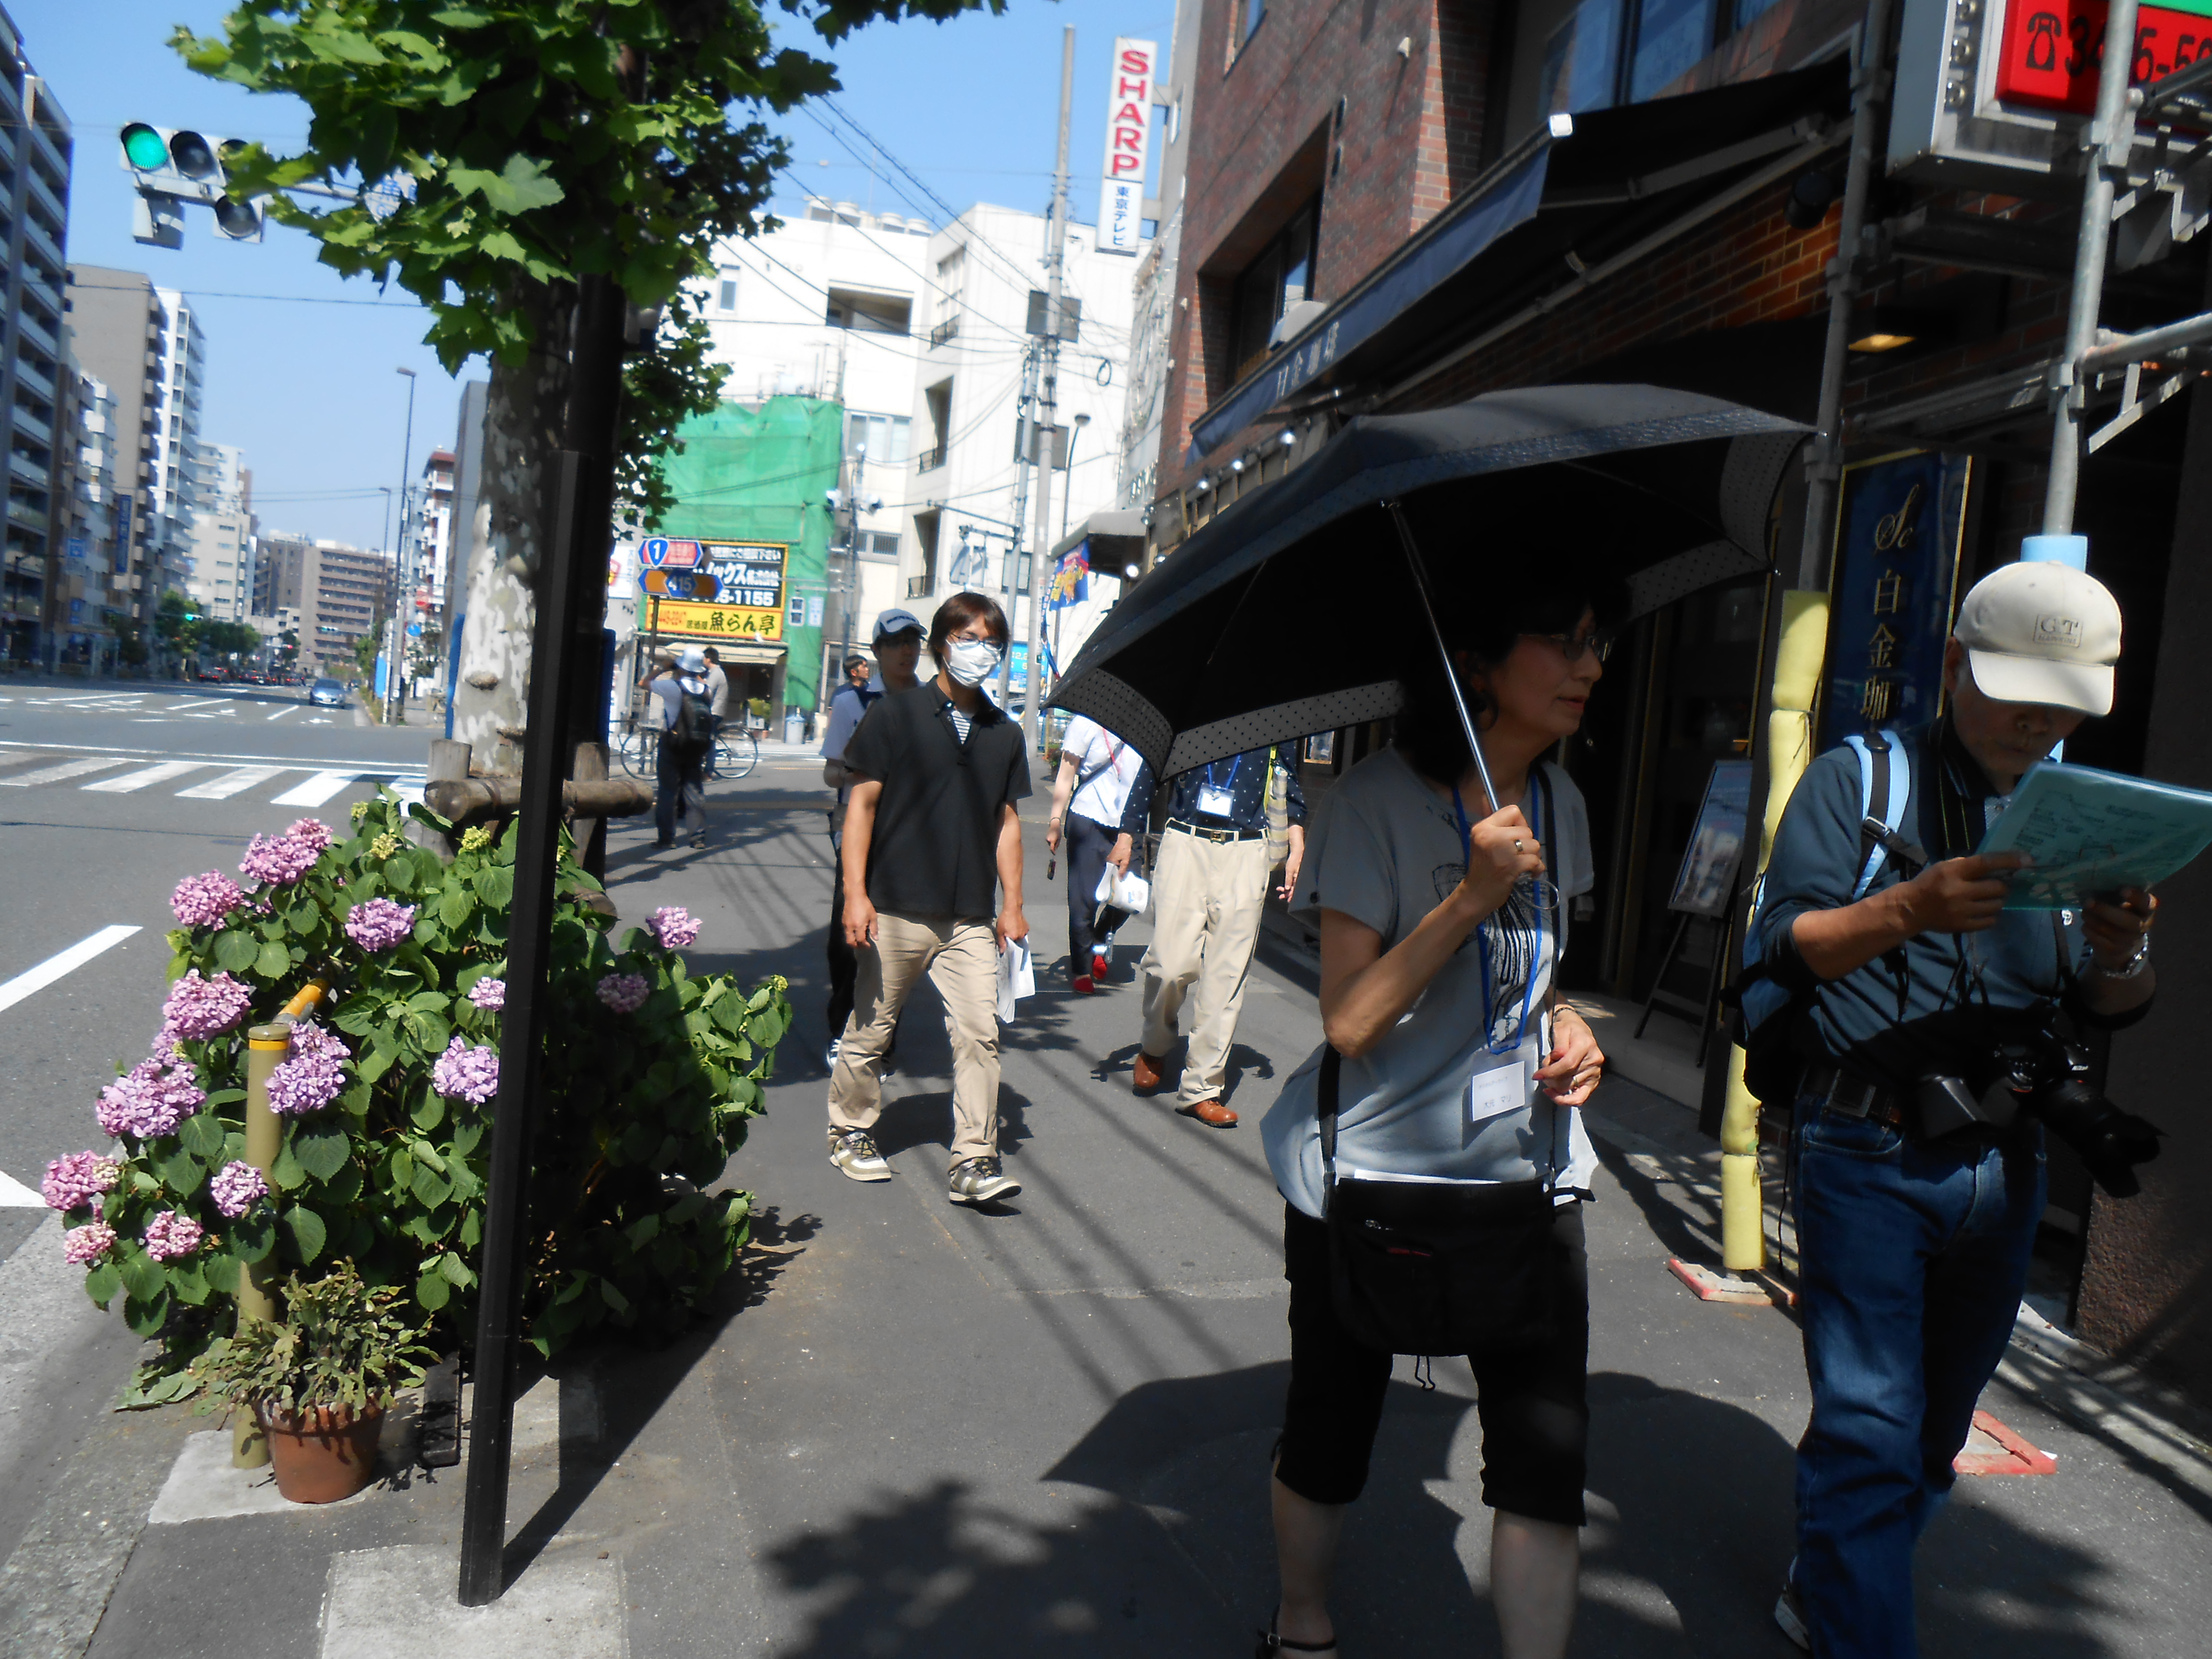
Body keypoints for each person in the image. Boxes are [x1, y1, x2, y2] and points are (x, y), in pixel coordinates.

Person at [1751, 561, 2155, 1659]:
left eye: (2063, 702)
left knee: (1931, 1433)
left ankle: (1829, 1584)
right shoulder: (1860, 780)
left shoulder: (2080, 814)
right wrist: (1906, 909)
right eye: (2018, 691)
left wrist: (2121, 948)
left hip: (2008, 1159)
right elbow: (1783, 943)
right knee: (1870, 1430)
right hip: (1865, 1141)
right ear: (1952, 664)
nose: (2038, 720)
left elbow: (2107, 1001)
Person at [1254, 565, 1617, 1659]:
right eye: (1564, 640)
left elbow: (1530, 978)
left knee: (1544, 1461)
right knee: (1330, 1433)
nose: (1592, 665)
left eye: (1598, 641)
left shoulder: (1561, 804)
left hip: (1527, 1176)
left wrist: (1569, 1023)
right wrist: (1468, 895)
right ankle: (1302, 1624)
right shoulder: (1370, 805)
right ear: (1476, 666)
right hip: (1371, 1178)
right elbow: (1350, 1021)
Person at [826, 592, 1032, 1206]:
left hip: (969, 916)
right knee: (872, 1029)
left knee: (980, 1034)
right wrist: (855, 895)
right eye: (969, 638)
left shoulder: (1004, 732)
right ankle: (850, 1130)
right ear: (943, 643)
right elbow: (861, 807)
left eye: (992, 642)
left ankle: (973, 1158)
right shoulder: (896, 715)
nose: (981, 651)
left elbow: (1007, 823)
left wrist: (1013, 905)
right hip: (894, 905)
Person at [1130, 745, 1307, 1128]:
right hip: (1185, 842)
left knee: (1226, 977)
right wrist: (1127, 837)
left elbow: (1289, 781)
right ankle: (1155, 1044)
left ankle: (1202, 1088)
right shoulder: (1192, 713)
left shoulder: (1276, 718)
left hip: (1247, 849)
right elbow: (1151, 768)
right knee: (1169, 966)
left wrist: (1297, 845)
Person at [818, 609, 926, 1066]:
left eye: (913, 642)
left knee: (895, 942)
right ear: (878, 650)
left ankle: (882, 1042)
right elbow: (830, 773)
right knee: (848, 939)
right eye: (896, 642)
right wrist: (863, 767)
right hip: (858, 831)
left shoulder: (934, 702)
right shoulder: (853, 703)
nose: (906, 651)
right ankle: (842, 1029)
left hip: (912, 835)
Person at [1044, 715, 1154, 993]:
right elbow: (1066, 775)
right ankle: (1082, 968)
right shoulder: (1085, 723)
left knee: (1131, 897)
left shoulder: (1147, 725)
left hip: (1129, 825)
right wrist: (1055, 820)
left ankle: (1099, 937)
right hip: (1088, 817)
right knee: (1084, 900)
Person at [650, 647, 715, 850]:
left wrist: (663, 668)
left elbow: (644, 683)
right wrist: (697, 674)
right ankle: (698, 838)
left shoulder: (672, 687)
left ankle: (667, 838)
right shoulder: (706, 691)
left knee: (668, 791)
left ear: (681, 666)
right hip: (696, 747)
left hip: (672, 744)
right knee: (694, 792)